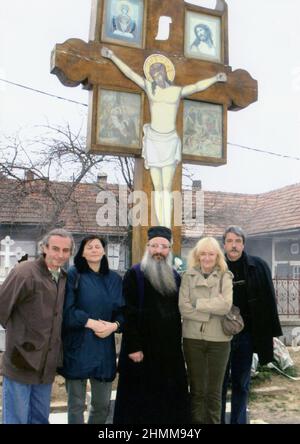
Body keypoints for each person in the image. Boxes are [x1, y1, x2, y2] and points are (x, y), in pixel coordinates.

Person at [101, 47, 227, 228]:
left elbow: (197, 87)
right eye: (153, 73)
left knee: (167, 189)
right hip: (153, 140)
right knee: (157, 188)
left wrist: (215, 79)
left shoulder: (176, 91)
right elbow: (129, 73)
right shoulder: (150, 89)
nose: (156, 76)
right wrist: (112, 56)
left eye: (158, 72)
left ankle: (166, 227)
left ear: (164, 73)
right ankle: (159, 225)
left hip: (169, 141)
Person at [113, 226, 190, 424]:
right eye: (154, 245)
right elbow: (127, 312)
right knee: (139, 407)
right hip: (141, 352)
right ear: (148, 247)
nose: (159, 251)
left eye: (164, 246)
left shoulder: (175, 277)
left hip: (168, 354)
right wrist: (134, 347)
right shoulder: (134, 274)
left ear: (169, 249)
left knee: (168, 405)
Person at [0, 228, 74, 424]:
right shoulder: (24, 272)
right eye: (55, 249)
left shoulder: (65, 278)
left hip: (46, 365)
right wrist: (20, 336)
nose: (60, 255)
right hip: (21, 360)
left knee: (40, 418)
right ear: (44, 248)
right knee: (16, 419)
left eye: (65, 250)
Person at [58, 235, 124, 424]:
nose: (94, 249)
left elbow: (122, 312)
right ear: (82, 253)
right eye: (89, 247)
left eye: (98, 246)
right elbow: (67, 311)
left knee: (101, 405)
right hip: (77, 346)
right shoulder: (73, 275)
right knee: (76, 404)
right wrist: (91, 322)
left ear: (104, 251)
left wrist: (114, 326)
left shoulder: (114, 279)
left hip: (104, 348)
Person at [221, 226, 282, 424]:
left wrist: (270, 335)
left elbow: (269, 303)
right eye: (230, 241)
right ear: (224, 244)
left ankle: (238, 421)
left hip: (246, 336)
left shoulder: (258, 266)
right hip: (219, 335)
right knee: (218, 384)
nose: (234, 245)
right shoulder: (216, 266)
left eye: (238, 241)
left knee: (241, 383)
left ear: (243, 244)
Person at [179, 237, 233, 424]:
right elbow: (183, 307)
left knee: (214, 392)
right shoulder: (187, 276)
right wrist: (211, 310)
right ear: (197, 255)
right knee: (197, 390)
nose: (207, 257)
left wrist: (199, 304)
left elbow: (226, 305)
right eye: (203, 253)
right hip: (192, 339)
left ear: (217, 255)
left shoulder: (225, 276)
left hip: (219, 341)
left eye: (211, 253)